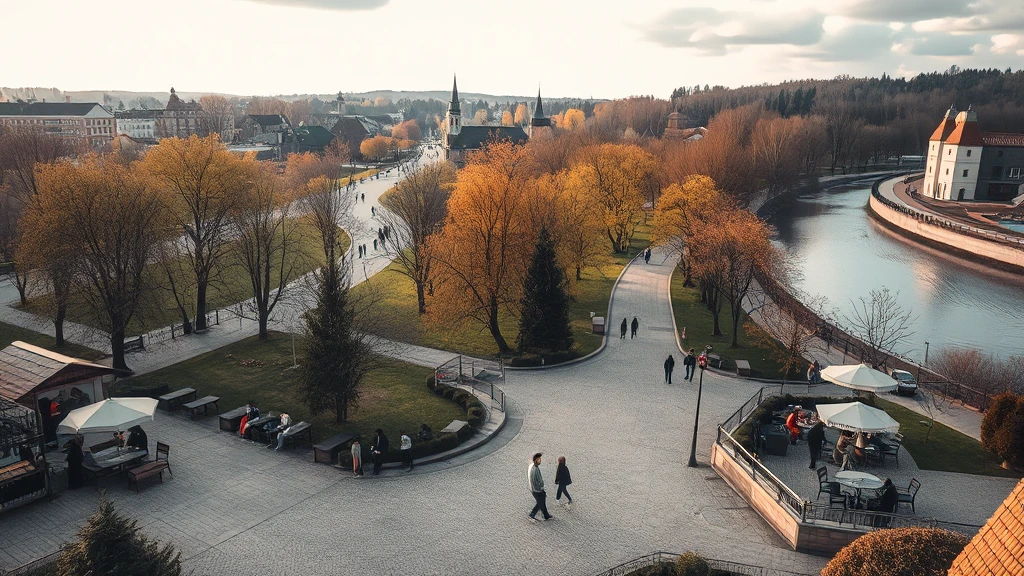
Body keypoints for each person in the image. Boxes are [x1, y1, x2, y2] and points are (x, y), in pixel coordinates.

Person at [528, 452, 552, 522]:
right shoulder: (535, 470)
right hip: (537, 490)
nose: (540, 460)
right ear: (536, 460)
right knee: (540, 502)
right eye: (539, 459)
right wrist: (541, 488)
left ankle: (546, 515)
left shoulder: (534, 467)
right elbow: (536, 482)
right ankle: (532, 514)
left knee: (542, 501)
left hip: (536, 490)